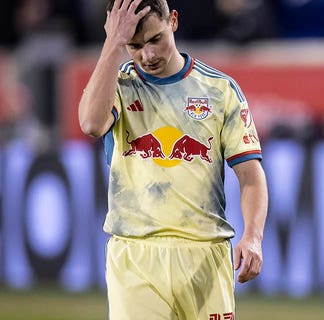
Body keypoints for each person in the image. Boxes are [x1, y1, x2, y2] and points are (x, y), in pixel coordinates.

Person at [77, 0, 268, 318]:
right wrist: (113, 42)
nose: (147, 55)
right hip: (136, 254)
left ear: (174, 22)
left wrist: (253, 238)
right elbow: (92, 124)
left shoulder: (219, 90)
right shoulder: (118, 85)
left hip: (206, 255)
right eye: (134, 45)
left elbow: (250, 175)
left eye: (155, 39)